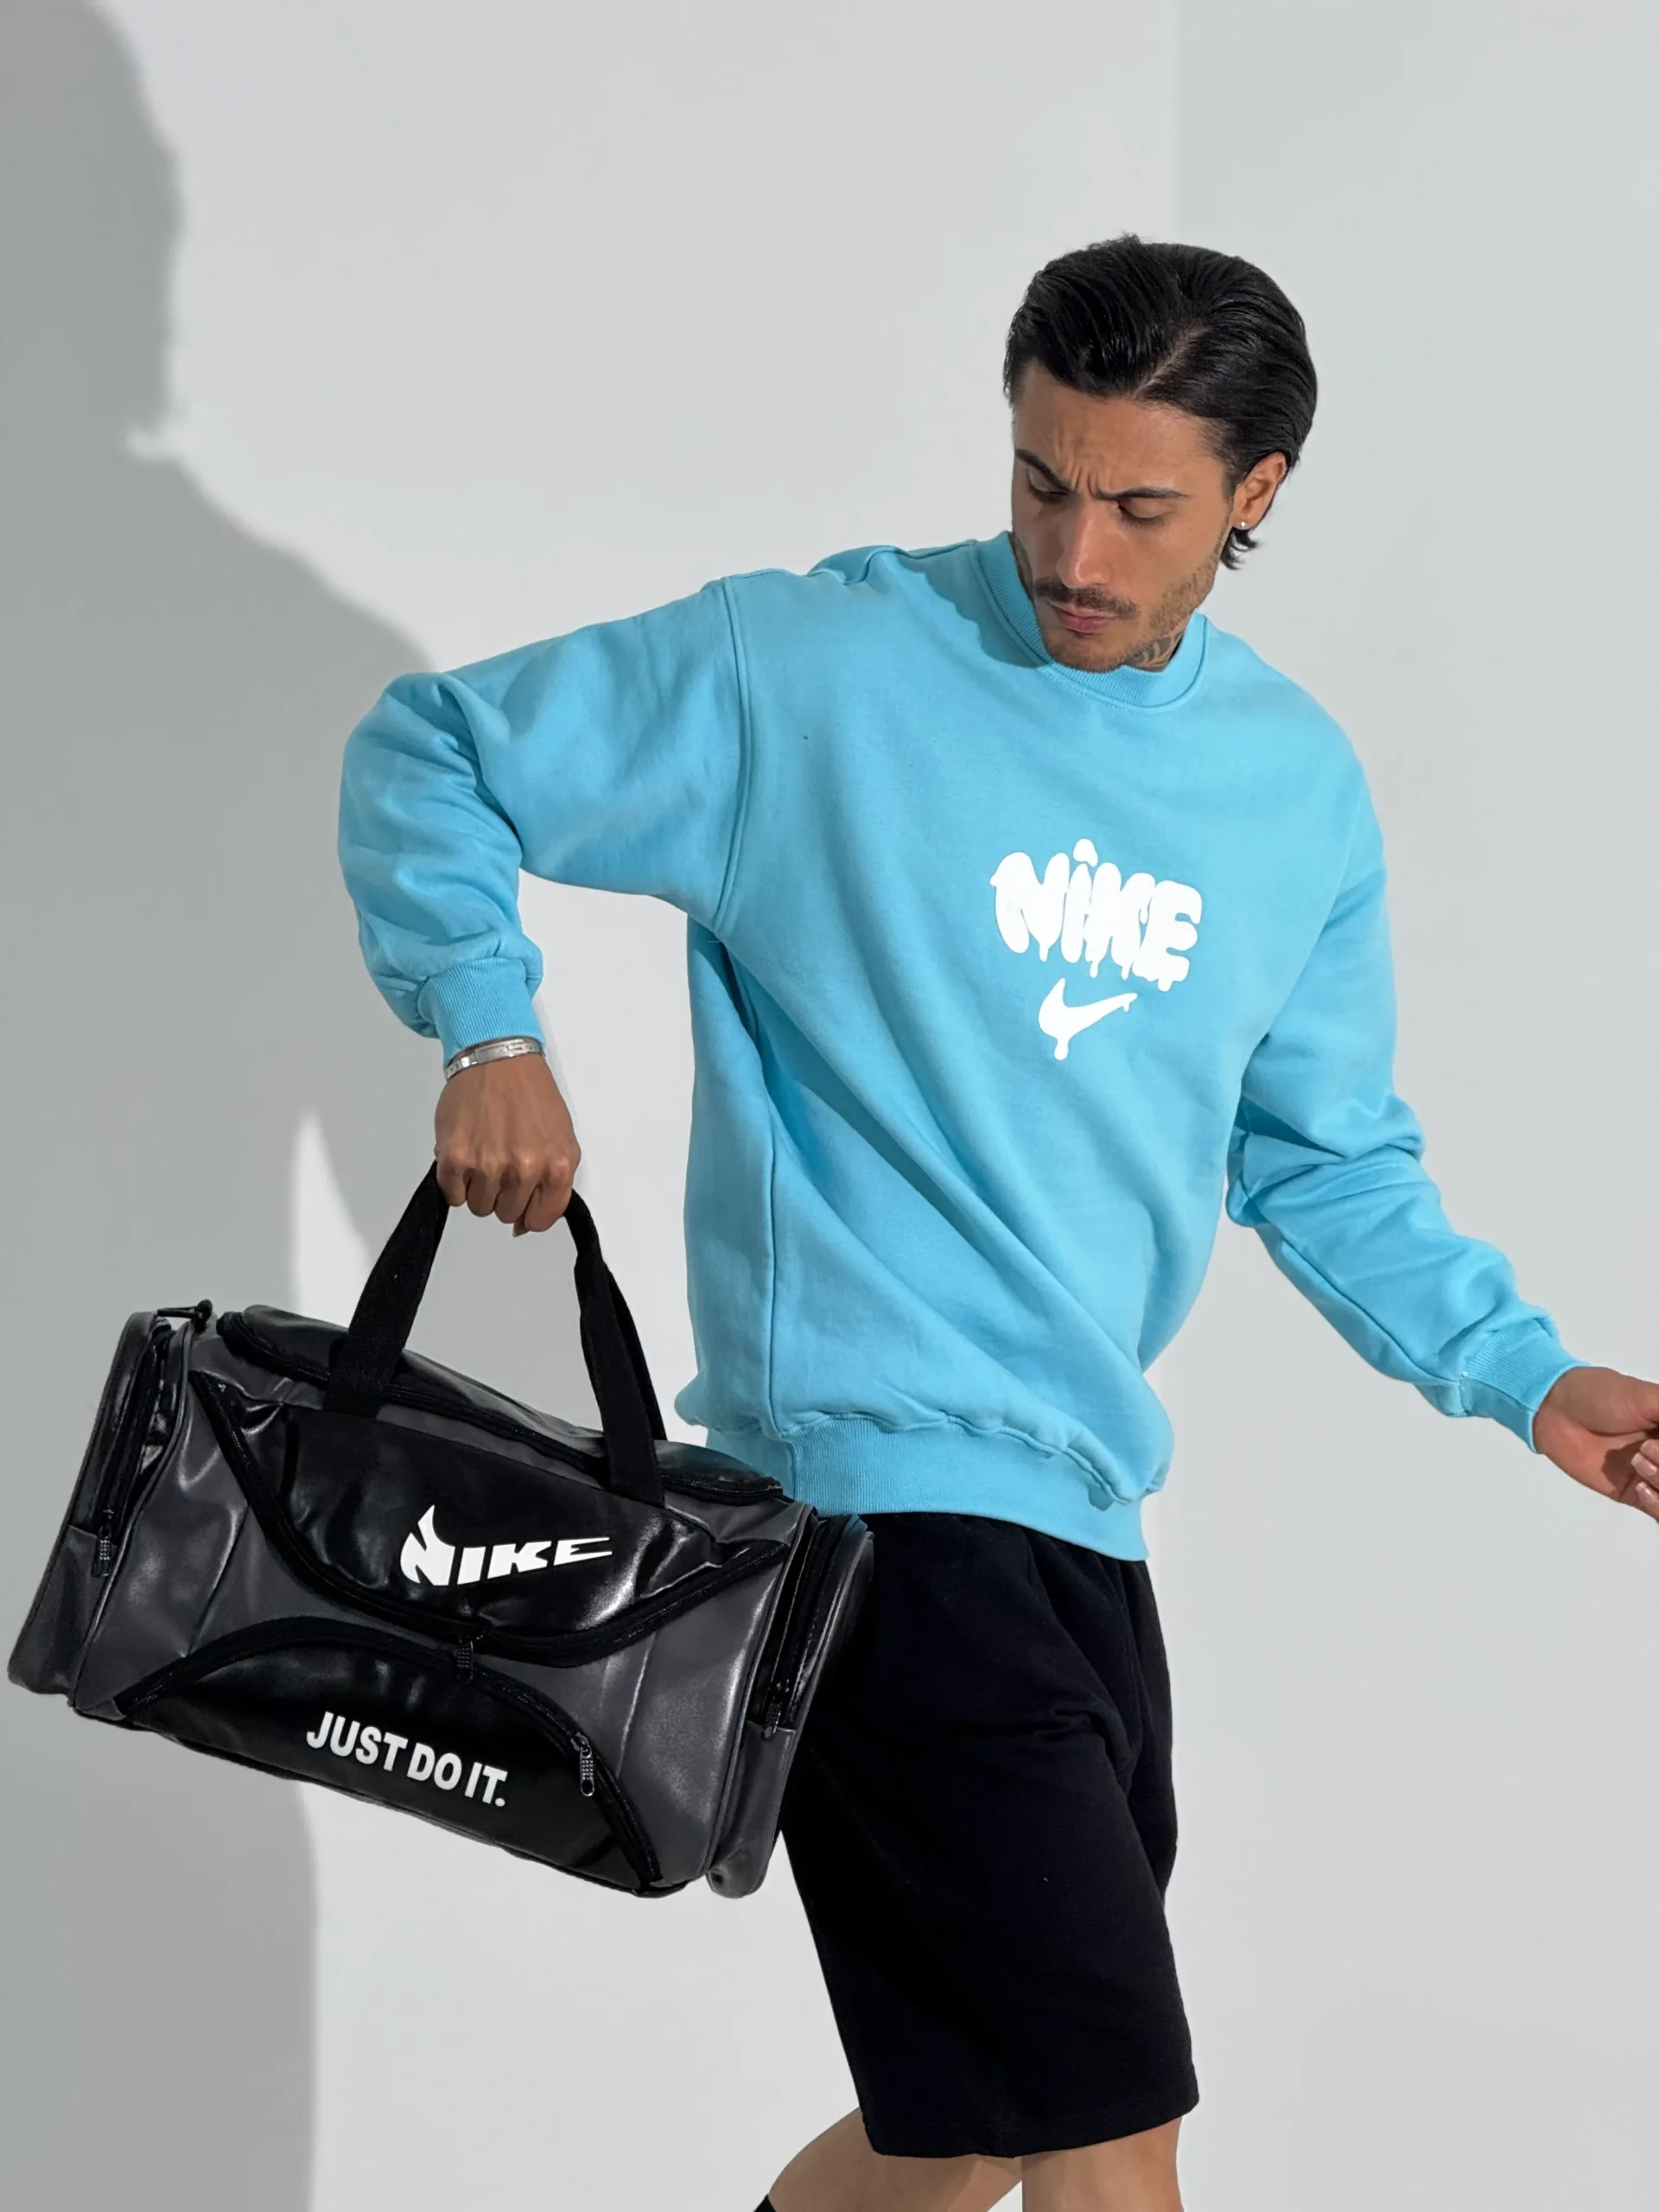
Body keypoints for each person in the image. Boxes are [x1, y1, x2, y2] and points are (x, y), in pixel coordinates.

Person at [337, 235, 1659, 2212]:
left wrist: (1526, 1374)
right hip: (873, 1512)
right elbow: (436, 745)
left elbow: (1323, 1156)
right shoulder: (817, 668)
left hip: (1081, 1512)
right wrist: (489, 1025)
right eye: (1043, 482)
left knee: (972, 2126)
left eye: (1141, 508)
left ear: (1257, 493)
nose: (1075, 553)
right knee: (1113, 2132)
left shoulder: (1288, 786)